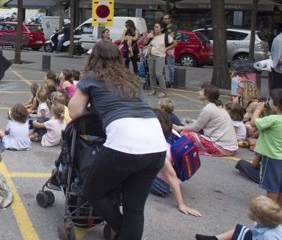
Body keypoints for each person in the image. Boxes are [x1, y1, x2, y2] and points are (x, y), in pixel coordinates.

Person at [69, 40, 167, 240]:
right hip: (156, 144)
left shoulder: (91, 78)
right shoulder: (131, 79)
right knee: (134, 208)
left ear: (93, 58)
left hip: (125, 143)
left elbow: (74, 111)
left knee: (93, 191)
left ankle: (124, 232)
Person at [150, 109, 202, 217]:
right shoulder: (173, 133)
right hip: (179, 177)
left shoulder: (160, 148)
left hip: (165, 184)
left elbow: (171, 174)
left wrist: (181, 204)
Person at [175, 84, 238, 157]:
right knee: (188, 131)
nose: (199, 92)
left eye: (201, 91)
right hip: (230, 147)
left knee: (184, 134)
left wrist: (178, 127)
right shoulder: (216, 107)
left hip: (223, 148)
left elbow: (196, 128)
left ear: (207, 95)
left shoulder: (208, 109)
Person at [195, 195, 282, 240]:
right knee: (240, 229)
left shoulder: (269, 236)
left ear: (258, 219)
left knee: (241, 233)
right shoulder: (264, 223)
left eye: (250, 209)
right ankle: (214, 239)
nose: (247, 210)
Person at [250, 89, 282, 204]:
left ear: (276, 104)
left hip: (272, 157)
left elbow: (254, 122)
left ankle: (271, 211)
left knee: (272, 186)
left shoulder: (273, 119)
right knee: (280, 186)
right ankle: (278, 211)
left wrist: (258, 109)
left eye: (270, 100)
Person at [144, 21, 176, 98]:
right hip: (151, 56)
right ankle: (153, 90)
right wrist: (148, 37)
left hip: (160, 56)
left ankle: (163, 91)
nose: (155, 28)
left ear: (162, 28)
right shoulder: (152, 35)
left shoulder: (166, 36)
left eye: (157, 27)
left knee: (158, 74)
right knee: (151, 74)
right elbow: (145, 43)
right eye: (154, 27)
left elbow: (175, 43)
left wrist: (167, 48)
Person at [162, 13, 179, 87]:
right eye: (164, 18)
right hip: (161, 47)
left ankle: (172, 81)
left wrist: (164, 36)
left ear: (170, 19)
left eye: (166, 18)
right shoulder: (163, 26)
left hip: (170, 48)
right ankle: (163, 80)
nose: (164, 20)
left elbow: (172, 36)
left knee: (170, 65)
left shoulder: (174, 27)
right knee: (161, 65)